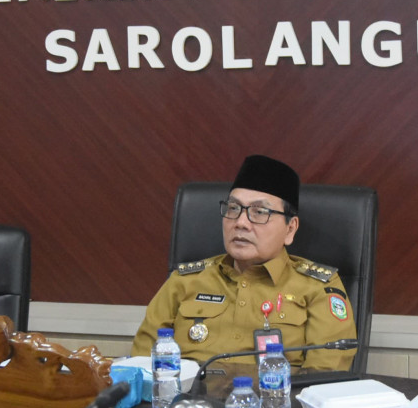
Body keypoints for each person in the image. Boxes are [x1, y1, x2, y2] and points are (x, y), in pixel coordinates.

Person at [131, 155, 357, 371]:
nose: (241, 223)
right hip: (189, 407)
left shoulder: (317, 288)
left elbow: (324, 376)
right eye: (233, 209)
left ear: (290, 229)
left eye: (260, 212)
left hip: (277, 406)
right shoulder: (184, 282)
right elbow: (143, 363)